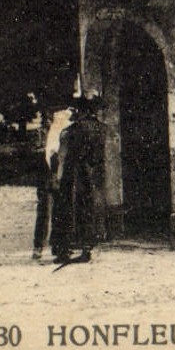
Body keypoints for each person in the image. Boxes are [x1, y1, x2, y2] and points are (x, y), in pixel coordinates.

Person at [49, 95, 106, 266]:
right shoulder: (101, 128)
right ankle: (87, 249)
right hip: (92, 173)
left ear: (82, 110)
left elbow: (63, 155)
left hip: (74, 174)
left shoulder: (73, 130)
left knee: (68, 210)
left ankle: (65, 250)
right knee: (88, 209)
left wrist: (56, 175)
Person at [32, 103, 73, 260]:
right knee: (44, 212)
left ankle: (57, 246)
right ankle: (38, 246)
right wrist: (45, 152)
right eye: (48, 117)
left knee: (60, 213)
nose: (49, 120)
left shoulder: (65, 132)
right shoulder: (41, 133)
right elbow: (36, 152)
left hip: (61, 178)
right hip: (47, 178)